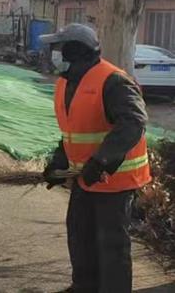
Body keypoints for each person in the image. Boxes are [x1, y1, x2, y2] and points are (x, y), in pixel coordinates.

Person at [39, 23, 151, 293]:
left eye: (59, 48)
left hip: (115, 181)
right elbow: (73, 131)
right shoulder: (66, 83)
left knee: (111, 246)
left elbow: (133, 122)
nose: (54, 54)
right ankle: (84, 287)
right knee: (80, 237)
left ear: (76, 51)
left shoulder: (113, 81)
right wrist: (59, 162)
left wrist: (101, 162)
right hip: (85, 178)